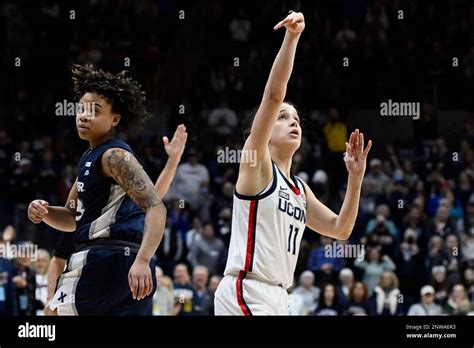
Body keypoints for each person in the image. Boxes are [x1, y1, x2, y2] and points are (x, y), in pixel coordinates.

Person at [214, 11, 372, 315]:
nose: (293, 122)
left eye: (296, 119)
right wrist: (293, 36)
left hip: (281, 295)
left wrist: (355, 179)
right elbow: (273, 97)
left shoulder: (300, 189)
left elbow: (340, 230)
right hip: (247, 290)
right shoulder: (256, 164)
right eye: (284, 118)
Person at [27, 65, 171, 315]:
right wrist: (45, 212)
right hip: (127, 265)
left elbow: (157, 208)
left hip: (103, 260)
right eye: (81, 109)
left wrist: (144, 260)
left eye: (95, 111)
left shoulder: (114, 155)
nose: (83, 115)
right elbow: (72, 217)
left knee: (51, 316)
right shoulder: (91, 157)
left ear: (115, 119)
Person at [43, 123, 188, 315]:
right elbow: (57, 261)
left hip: (113, 260)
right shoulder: (87, 212)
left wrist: (173, 161)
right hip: (123, 261)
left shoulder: (119, 200)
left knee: (52, 313)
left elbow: (155, 200)